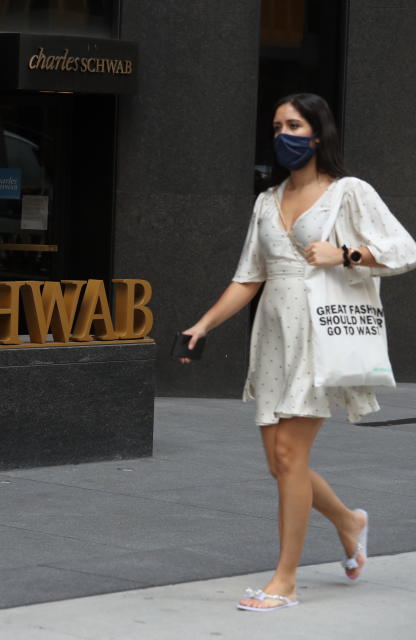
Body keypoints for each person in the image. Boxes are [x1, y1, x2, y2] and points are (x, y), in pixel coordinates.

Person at [179, 93, 416, 612]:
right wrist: (203, 325)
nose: (283, 133)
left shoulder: (349, 192)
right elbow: (249, 276)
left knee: (290, 456)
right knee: (280, 463)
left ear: (317, 134)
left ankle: (284, 581)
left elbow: (404, 250)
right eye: (277, 125)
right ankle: (350, 522)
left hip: (319, 330)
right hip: (272, 335)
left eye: (294, 124)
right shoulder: (266, 201)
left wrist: (346, 254)